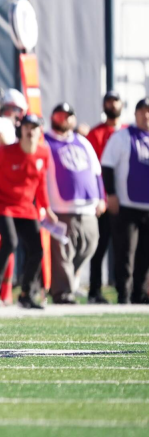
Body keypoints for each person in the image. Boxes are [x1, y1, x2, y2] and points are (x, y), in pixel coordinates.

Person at [0, 114, 56, 309]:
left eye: (34, 127)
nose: (30, 130)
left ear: (39, 131)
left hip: (26, 208)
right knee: (10, 243)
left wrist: (47, 208)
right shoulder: (4, 152)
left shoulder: (43, 153)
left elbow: (40, 184)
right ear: (21, 130)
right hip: (1, 204)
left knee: (37, 250)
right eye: (27, 126)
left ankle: (26, 295)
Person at [45, 102, 105, 305]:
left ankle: (66, 283)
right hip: (60, 207)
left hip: (88, 207)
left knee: (90, 245)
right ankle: (62, 293)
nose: (64, 119)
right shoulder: (45, 141)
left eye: (68, 115)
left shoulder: (82, 141)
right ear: (53, 117)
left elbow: (97, 172)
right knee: (63, 253)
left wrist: (102, 198)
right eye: (60, 115)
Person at [100, 98, 149, 305]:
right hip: (126, 205)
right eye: (143, 112)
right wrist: (111, 194)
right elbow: (107, 166)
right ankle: (124, 295)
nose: (146, 116)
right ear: (136, 114)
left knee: (145, 254)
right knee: (125, 253)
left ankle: (140, 294)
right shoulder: (122, 137)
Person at [86, 91, 124, 303]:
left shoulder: (128, 132)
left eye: (115, 101)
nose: (112, 104)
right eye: (108, 101)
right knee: (98, 248)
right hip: (103, 199)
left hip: (125, 200)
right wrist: (101, 197)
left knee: (124, 249)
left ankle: (124, 290)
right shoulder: (96, 134)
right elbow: (94, 170)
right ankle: (95, 291)